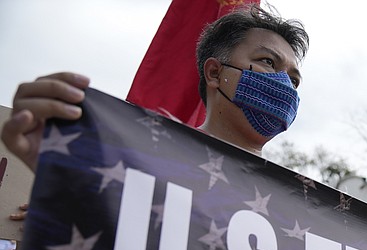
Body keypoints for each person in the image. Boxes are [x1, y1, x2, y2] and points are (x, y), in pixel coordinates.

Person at [0, 5, 309, 173]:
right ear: (215, 73)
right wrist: (62, 188)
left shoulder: (309, 215)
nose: (284, 84)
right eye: (267, 61)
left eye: (294, 80)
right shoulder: (124, 168)